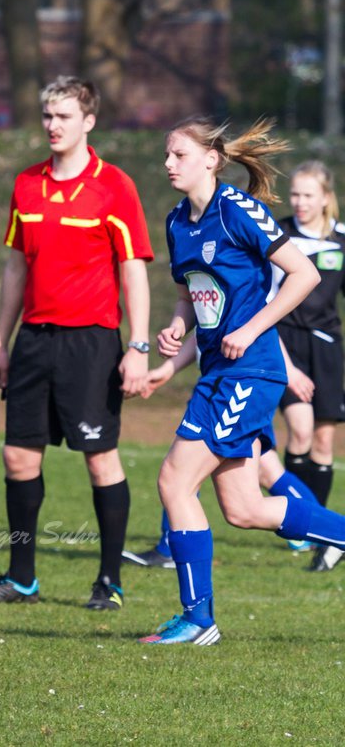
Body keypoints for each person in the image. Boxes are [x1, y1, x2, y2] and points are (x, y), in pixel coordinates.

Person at [139, 116, 345, 646]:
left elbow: (305, 274)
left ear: (211, 159)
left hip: (250, 371)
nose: (168, 164)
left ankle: (198, 619)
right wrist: (175, 330)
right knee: (244, 509)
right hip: (218, 372)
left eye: (178, 155)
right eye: (167, 155)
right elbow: (191, 293)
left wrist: (251, 328)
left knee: (174, 481)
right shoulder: (177, 222)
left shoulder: (238, 210)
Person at [0, 76, 153, 611]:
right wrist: (1, 343)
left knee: (100, 459)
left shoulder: (114, 186)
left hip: (91, 343)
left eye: (64, 116)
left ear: (88, 121)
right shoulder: (26, 184)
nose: (52, 125)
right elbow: (16, 269)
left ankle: (109, 582)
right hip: (34, 344)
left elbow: (133, 271)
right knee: (18, 457)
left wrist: (138, 347)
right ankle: (22, 580)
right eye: (47, 115)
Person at [123, 332, 323, 570]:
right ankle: (324, 535)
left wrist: (288, 369)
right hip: (219, 384)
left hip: (238, 386)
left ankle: (326, 536)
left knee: (183, 476)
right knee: (244, 487)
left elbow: (261, 315)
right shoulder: (200, 297)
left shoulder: (243, 296)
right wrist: (169, 368)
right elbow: (204, 326)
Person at [274, 161, 345, 570]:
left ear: (325, 197)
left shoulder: (340, 241)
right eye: (295, 194)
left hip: (327, 350)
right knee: (298, 432)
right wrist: (290, 369)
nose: (299, 202)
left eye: (307, 195)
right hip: (286, 345)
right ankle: (300, 525)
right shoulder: (278, 236)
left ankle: (320, 529)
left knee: (322, 442)